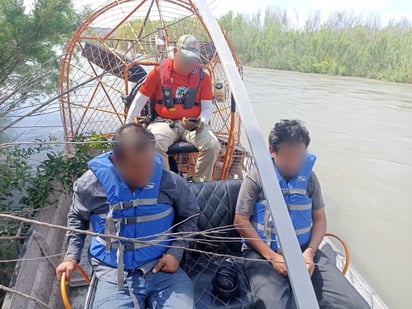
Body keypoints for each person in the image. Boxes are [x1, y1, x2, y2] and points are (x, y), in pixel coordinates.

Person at [56, 123, 199, 309]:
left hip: (162, 268)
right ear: (117, 160)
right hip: (113, 274)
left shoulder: (170, 182)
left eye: (148, 162)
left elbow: (190, 216)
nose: (145, 172)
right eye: (136, 166)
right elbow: (77, 218)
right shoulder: (89, 186)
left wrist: (176, 252)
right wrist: (71, 256)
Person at [234, 120, 370, 309]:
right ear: (272, 151)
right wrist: (272, 257)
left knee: (355, 305)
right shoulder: (256, 177)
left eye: (300, 156)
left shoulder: (310, 179)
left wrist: (310, 252)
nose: (295, 163)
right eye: (289, 156)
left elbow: (320, 220)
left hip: (304, 250)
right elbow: (240, 221)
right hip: (263, 253)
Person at [126, 34, 220, 182]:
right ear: (176, 52)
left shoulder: (204, 77)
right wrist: (128, 125)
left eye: (194, 60)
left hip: (192, 125)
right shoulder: (158, 73)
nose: (190, 63)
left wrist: (201, 121)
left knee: (213, 145)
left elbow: (207, 107)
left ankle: (200, 185)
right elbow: (140, 100)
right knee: (153, 143)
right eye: (187, 58)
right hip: (164, 123)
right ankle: (169, 186)